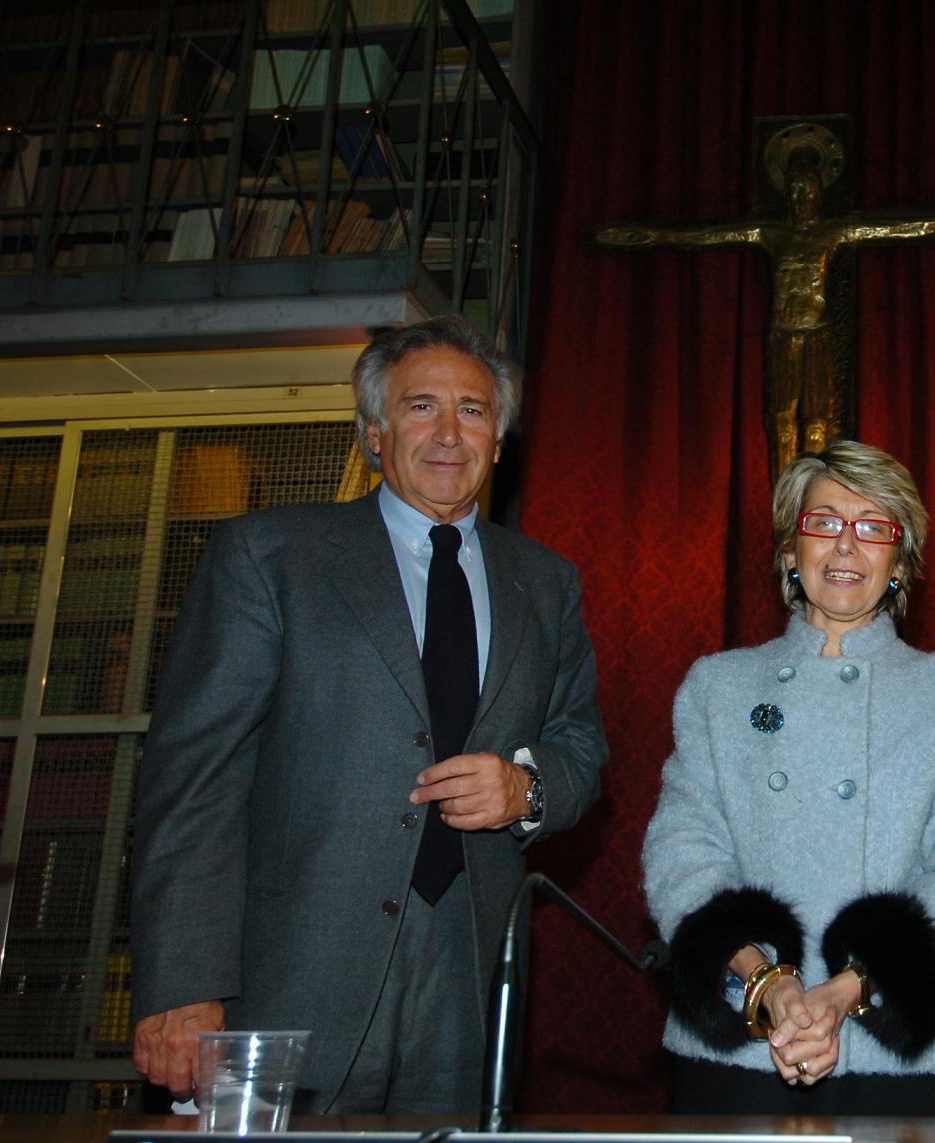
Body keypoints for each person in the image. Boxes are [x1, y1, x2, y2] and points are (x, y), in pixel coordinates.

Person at [129, 314, 608, 1115]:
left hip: (465, 977)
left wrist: (525, 788)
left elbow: (579, 747)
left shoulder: (546, 583)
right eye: (422, 407)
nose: (449, 432)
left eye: (473, 410)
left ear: (498, 440)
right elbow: (193, 781)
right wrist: (182, 982)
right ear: (374, 434)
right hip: (286, 978)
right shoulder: (269, 556)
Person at [642, 440, 935, 1115]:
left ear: (899, 562)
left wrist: (852, 986)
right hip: (745, 1044)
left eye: (874, 527)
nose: (846, 545)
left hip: (906, 1054)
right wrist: (767, 983)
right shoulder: (717, 686)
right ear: (791, 551)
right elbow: (682, 852)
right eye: (824, 522)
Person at [594, 124, 935, 477]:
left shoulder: (834, 231)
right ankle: (786, 504)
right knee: (781, 420)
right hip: (783, 335)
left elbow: (903, 227)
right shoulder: (769, 232)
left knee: (817, 421)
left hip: (817, 333)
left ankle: (811, 500)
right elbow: (705, 235)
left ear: (818, 192)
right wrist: (650, 235)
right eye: (793, 190)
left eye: (806, 189)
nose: (799, 198)